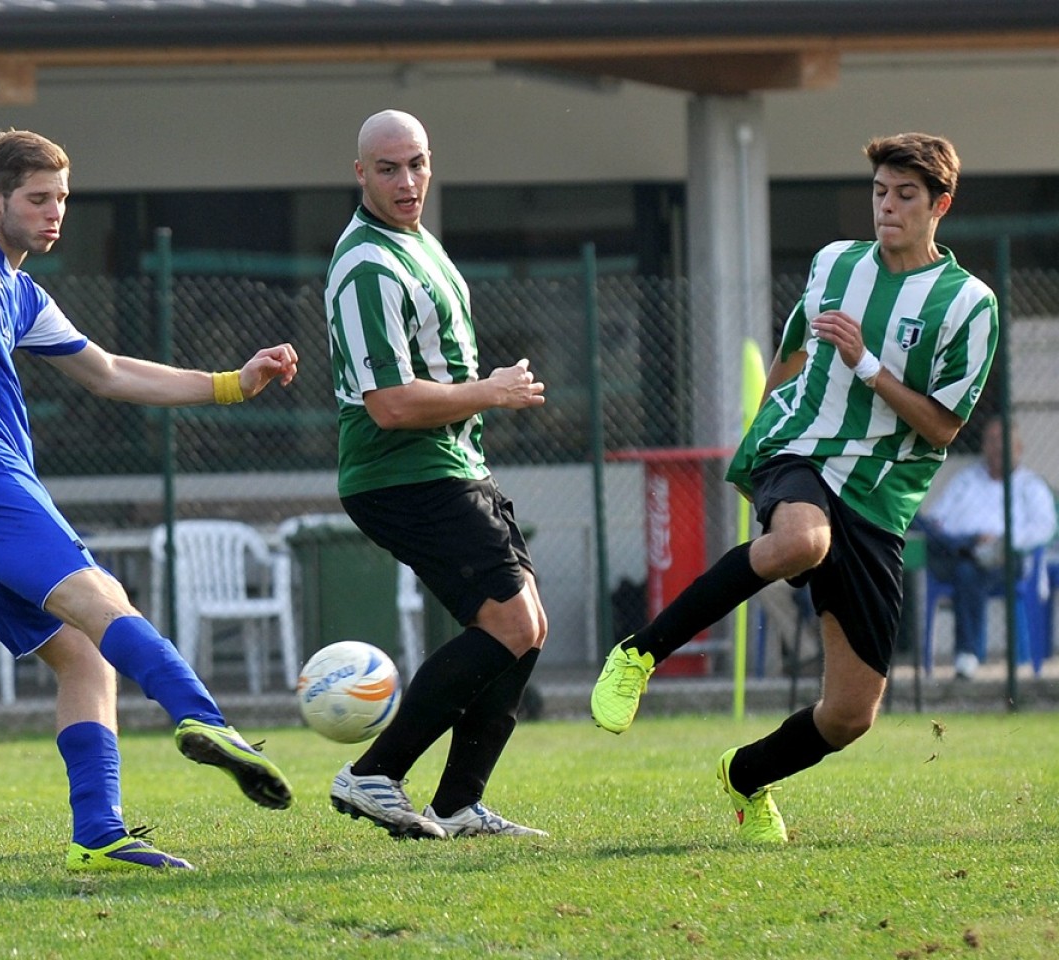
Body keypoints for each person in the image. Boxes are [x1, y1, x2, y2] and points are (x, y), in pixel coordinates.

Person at [0, 63, 298, 872]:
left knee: (80, 652)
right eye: (39, 198)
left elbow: (109, 371)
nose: (55, 214)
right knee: (100, 596)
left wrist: (230, 384)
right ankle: (201, 713)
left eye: (63, 200)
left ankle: (99, 831)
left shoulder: (20, 293)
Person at [590, 132, 998, 843]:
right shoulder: (835, 264)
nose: (888, 207)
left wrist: (868, 365)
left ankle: (745, 777)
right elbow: (789, 357)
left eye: (905, 195)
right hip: (801, 451)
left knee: (850, 715)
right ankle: (639, 654)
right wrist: (764, 444)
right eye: (880, 192)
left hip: (878, 497)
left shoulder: (969, 305)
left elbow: (940, 428)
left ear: (942, 206)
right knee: (801, 541)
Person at [323, 109, 549, 840]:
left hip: (451, 463)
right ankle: (371, 773)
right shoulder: (366, 265)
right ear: (361, 174)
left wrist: (485, 397)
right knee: (510, 621)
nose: (407, 180)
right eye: (388, 168)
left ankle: (457, 803)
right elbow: (388, 405)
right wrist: (492, 390)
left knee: (527, 626)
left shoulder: (416, 244)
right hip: (402, 472)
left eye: (416, 163)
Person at [913, 417, 1057, 678]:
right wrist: (970, 539)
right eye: (991, 441)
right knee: (920, 523)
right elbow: (938, 519)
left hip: (1004, 560)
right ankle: (963, 549)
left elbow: (1044, 527)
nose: (997, 447)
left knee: (968, 570)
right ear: (983, 446)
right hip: (959, 551)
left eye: (1004, 441)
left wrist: (1002, 539)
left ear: (1019, 448)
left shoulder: (1030, 485)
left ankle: (966, 654)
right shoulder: (966, 480)